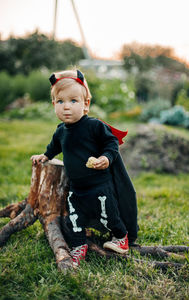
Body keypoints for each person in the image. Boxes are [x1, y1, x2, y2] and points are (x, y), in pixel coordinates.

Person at [31, 69, 138, 267]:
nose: (66, 107)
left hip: (100, 184)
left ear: (86, 104)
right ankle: (79, 245)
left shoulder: (94, 126)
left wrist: (106, 158)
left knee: (109, 213)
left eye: (73, 101)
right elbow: (54, 147)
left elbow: (111, 143)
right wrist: (45, 156)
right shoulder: (61, 131)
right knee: (75, 218)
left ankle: (121, 237)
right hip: (77, 187)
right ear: (54, 104)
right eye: (60, 101)